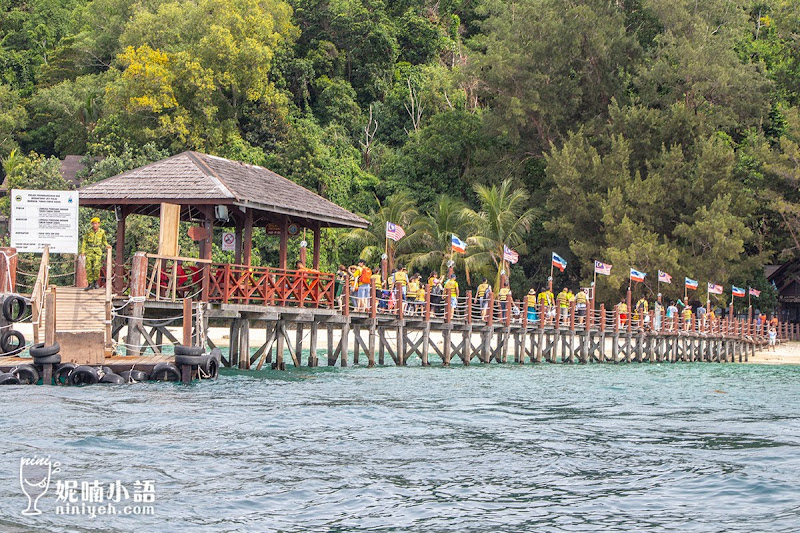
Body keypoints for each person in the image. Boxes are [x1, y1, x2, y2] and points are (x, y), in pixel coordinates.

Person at [81, 216, 111, 290]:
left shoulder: (102, 232)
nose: (95, 225)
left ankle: (95, 282)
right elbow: (84, 241)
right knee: (88, 268)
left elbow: (104, 241)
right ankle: (90, 283)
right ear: (91, 224)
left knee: (97, 267)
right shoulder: (88, 232)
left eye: (96, 223)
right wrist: (83, 251)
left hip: (97, 251)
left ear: (99, 224)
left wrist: (107, 245)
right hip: (89, 250)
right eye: (93, 224)